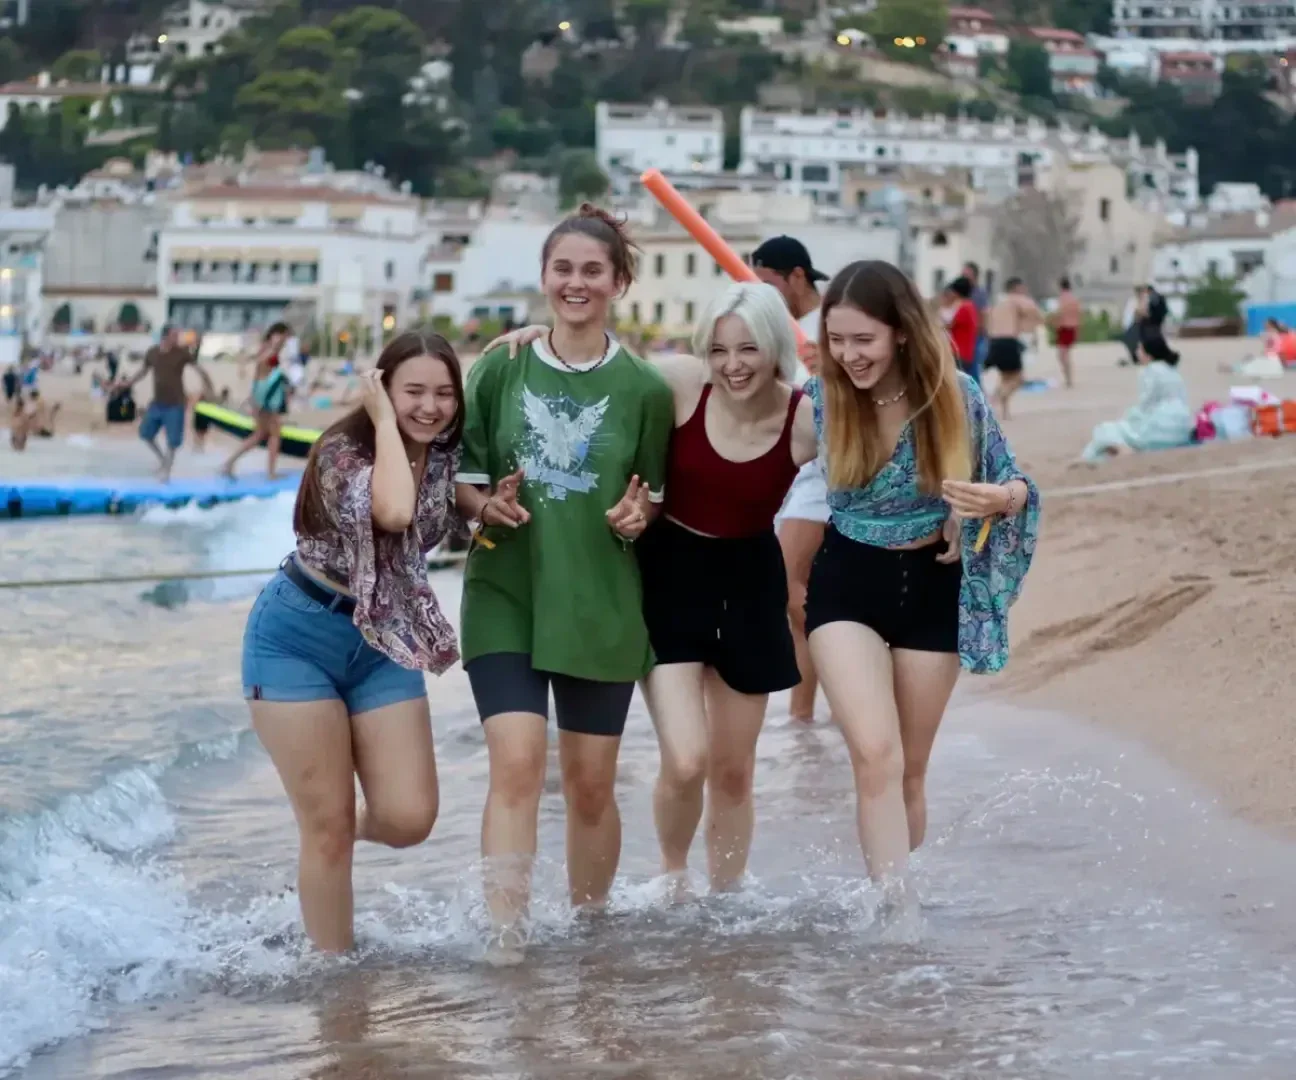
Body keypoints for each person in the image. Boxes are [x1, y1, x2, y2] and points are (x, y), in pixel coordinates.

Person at [487, 282, 818, 892]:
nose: (733, 365)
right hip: (671, 575)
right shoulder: (680, 382)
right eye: (719, 350)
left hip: (749, 582)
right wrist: (536, 340)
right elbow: (588, 366)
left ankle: (726, 897)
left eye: (748, 349)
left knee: (735, 770)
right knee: (687, 760)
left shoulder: (803, 420)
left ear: (775, 348)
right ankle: (673, 878)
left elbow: (879, 451)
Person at [453, 204, 675, 958]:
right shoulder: (499, 365)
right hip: (504, 591)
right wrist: (488, 505)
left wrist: (636, 520)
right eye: (562, 269)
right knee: (516, 764)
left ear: (618, 282)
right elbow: (464, 480)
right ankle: (505, 937)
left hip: (598, 601)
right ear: (544, 277)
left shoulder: (645, 388)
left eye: (591, 271)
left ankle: (588, 932)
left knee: (587, 785)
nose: (575, 283)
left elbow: (652, 500)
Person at [803, 259, 1038, 911]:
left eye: (863, 340)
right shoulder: (820, 398)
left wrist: (999, 498)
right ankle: (896, 919)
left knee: (907, 770)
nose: (849, 355)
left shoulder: (955, 396)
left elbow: (1019, 484)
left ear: (901, 332)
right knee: (874, 753)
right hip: (847, 584)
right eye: (837, 340)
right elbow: (732, 409)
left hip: (934, 589)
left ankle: (891, 910)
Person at [240, 331, 465, 953]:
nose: (430, 406)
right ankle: (334, 983)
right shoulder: (343, 449)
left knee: (409, 819)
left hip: (381, 643)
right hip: (297, 637)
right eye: (413, 391)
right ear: (383, 389)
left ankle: (328, 830)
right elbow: (394, 510)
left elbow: (445, 499)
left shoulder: (446, 453)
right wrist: (384, 423)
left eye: (445, 393)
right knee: (329, 832)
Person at [751, 234, 832, 723]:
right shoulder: (782, 329)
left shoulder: (830, 324)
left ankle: (832, 672)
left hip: (831, 470)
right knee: (798, 597)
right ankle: (804, 719)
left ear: (797, 276)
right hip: (799, 470)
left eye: (768, 284)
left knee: (788, 586)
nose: (761, 294)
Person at [116, 325, 214, 482]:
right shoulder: (153, 353)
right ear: (165, 337)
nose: (178, 339)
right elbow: (143, 371)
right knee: (145, 434)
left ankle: (166, 471)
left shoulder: (181, 353)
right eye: (175, 335)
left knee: (173, 441)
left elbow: (199, 369)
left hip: (176, 403)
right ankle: (163, 460)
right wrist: (128, 383)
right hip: (157, 402)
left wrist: (209, 387)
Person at [1080, 343, 1193, 462]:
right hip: (1182, 429)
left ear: (1149, 355)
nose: (1137, 352)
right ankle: (1097, 457)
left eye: (1140, 349)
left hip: (1158, 430)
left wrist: (1131, 417)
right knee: (1113, 437)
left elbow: (1146, 404)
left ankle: (1119, 451)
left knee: (1104, 429)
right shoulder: (1172, 370)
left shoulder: (1149, 370)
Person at [221, 325, 291, 479]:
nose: (286, 340)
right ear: (277, 335)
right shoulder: (269, 350)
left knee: (260, 435)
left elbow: (263, 371)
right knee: (273, 434)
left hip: (264, 394)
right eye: (285, 336)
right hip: (265, 396)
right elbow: (262, 368)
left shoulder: (270, 351)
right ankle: (271, 473)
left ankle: (229, 463)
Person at [983, 277, 1043, 419]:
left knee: (1005, 377)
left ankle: (1005, 412)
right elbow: (1035, 313)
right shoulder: (1016, 299)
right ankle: (995, 400)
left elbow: (986, 317)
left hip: (994, 341)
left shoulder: (998, 301)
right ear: (1016, 288)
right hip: (1008, 341)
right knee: (1018, 379)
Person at [941, 277, 979, 380]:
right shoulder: (970, 306)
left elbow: (949, 325)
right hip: (965, 353)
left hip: (959, 353)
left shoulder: (964, 307)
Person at [962, 261, 989, 382]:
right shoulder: (963, 292)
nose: (964, 276)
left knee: (973, 369)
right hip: (965, 336)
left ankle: (977, 397)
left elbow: (983, 314)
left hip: (976, 336)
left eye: (967, 273)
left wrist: (980, 331)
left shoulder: (979, 292)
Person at [1051, 277, 1081, 389]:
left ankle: (1068, 378)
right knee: (1066, 354)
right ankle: (1068, 378)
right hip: (1072, 328)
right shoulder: (1074, 299)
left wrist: (1054, 323)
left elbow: (1060, 313)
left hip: (1064, 328)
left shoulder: (1062, 298)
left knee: (1062, 355)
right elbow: (1078, 315)